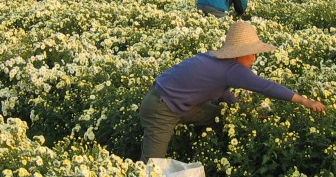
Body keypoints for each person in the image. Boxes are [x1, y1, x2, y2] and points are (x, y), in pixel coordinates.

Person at [139, 21, 325, 161]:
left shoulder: (215, 59)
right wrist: (305, 101)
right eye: (251, 52)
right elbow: (266, 87)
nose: (254, 58)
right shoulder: (232, 69)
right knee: (153, 165)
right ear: (238, 53)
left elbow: (221, 92)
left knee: (223, 116)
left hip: (180, 105)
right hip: (161, 109)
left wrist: (242, 110)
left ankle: (210, 152)